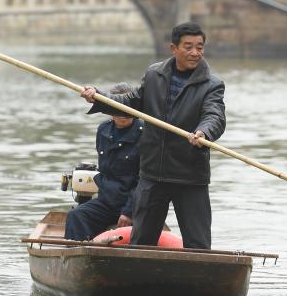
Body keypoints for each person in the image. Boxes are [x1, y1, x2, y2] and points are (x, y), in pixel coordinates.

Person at [81, 22, 225, 249]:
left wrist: (203, 131)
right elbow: (130, 103)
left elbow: (214, 116)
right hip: (152, 174)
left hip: (189, 175)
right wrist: (99, 97)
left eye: (200, 47)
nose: (195, 52)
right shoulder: (154, 74)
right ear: (173, 48)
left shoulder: (212, 85)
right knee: (142, 241)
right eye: (188, 47)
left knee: (198, 244)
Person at [64, 83, 143, 241]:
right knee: (76, 216)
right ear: (109, 109)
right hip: (107, 201)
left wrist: (129, 212)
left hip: (135, 204)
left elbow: (144, 181)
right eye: (118, 108)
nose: (123, 113)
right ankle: (75, 257)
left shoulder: (146, 134)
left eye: (128, 108)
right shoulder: (103, 130)